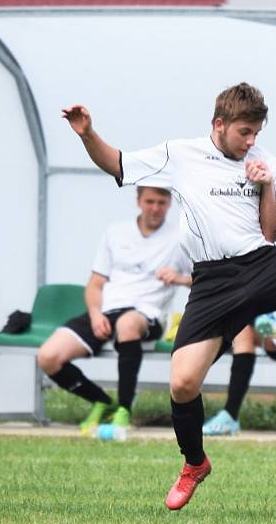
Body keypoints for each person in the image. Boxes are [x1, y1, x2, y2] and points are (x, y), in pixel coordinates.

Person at [63, 82, 276, 512]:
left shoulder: (265, 163)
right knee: (182, 382)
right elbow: (117, 164)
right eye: (245, 132)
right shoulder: (181, 155)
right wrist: (88, 133)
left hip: (260, 263)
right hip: (213, 281)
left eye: (257, 133)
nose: (252, 141)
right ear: (219, 125)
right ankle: (194, 463)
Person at [37, 185, 192, 435]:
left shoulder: (180, 238)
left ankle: (124, 409)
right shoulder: (116, 233)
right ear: (138, 200)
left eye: (161, 203)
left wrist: (179, 278)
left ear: (169, 204)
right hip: (107, 312)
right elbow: (95, 285)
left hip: (149, 315)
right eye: (150, 201)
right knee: (47, 356)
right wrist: (96, 314)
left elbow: (205, 279)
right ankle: (102, 402)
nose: (155, 208)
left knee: (127, 324)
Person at [202, 311, 276, 436]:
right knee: (242, 326)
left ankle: (230, 414)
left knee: (242, 323)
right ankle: (229, 415)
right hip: (267, 325)